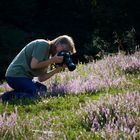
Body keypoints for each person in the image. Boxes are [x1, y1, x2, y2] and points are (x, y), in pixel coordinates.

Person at [1, 35, 76, 101]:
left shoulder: (48, 55)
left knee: (43, 89)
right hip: (15, 75)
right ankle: (5, 97)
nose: (63, 53)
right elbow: (33, 65)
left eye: (66, 52)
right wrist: (52, 60)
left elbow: (41, 78)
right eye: (64, 50)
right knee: (35, 93)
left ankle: (10, 94)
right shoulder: (43, 45)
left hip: (24, 78)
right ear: (57, 43)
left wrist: (58, 69)